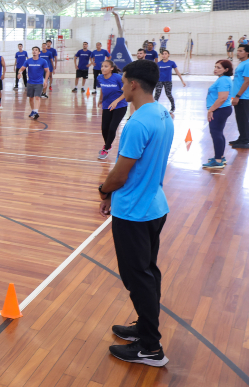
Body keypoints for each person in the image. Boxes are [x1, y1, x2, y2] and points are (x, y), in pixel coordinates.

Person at [99, 59, 173, 368]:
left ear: (131, 84)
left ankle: (150, 348)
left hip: (134, 212)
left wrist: (103, 191)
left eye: (123, 79)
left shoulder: (137, 123)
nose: (120, 83)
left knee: (137, 277)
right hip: (154, 206)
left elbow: (119, 174)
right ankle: (143, 329)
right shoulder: (162, 113)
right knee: (147, 272)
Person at [202, 60, 233, 168]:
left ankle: (218, 160)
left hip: (220, 110)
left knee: (216, 133)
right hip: (222, 109)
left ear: (226, 69)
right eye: (215, 67)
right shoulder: (223, 79)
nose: (215, 69)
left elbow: (222, 98)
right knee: (219, 133)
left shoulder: (223, 80)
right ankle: (220, 156)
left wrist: (211, 110)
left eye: (219, 67)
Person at [96, 60, 127, 160]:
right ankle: (108, 145)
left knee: (112, 128)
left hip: (120, 105)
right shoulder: (99, 77)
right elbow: (102, 89)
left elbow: (126, 91)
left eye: (106, 66)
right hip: (107, 105)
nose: (103, 68)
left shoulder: (118, 78)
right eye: (102, 66)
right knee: (104, 128)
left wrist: (116, 101)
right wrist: (100, 99)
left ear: (111, 68)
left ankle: (106, 148)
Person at [230, 44, 249, 149]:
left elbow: (247, 82)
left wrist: (238, 96)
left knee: (243, 119)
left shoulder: (248, 64)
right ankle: (242, 138)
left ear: (247, 52)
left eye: (241, 51)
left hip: (243, 97)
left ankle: (246, 141)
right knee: (239, 118)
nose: (238, 52)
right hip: (238, 96)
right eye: (238, 50)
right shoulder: (242, 63)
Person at [17, 46, 49, 119]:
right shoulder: (28, 61)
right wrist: (19, 73)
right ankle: (33, 111)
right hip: (30, 82)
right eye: (33, 50)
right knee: (31, 98)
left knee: (37, 97)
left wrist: (45, 81)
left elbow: (47, 71)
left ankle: (36, 112)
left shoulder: (43, 61)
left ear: (39, 52)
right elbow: (21, 69)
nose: (34, 51)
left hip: (39, 82)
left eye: (36, 50)